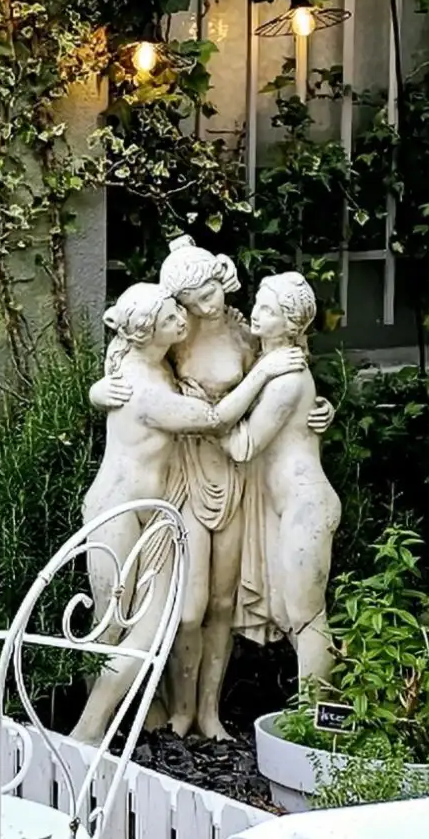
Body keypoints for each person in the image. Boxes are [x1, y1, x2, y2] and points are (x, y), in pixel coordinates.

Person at [73, 285, 305, 745]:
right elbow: (217, 419)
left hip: (153, 512)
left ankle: (118, 719)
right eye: (169, 319)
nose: (181, 321)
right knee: (117, 625)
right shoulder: (143, 388)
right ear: (147, 333)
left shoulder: (140, 361)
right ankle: (88, 731)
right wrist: (264, 373)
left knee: (143, 623)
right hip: (119, 509)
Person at [222, 272, 342, 690]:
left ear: (293, 325)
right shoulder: (270, 362)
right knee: (290, 613)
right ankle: (321, 713)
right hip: (282, 505)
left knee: (306, 617)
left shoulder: (287, 376)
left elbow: (244, 446)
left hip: (304, 505)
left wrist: (200, 413)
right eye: (258, 304)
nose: (257, 314)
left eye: (269, 311)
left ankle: (318, 719)